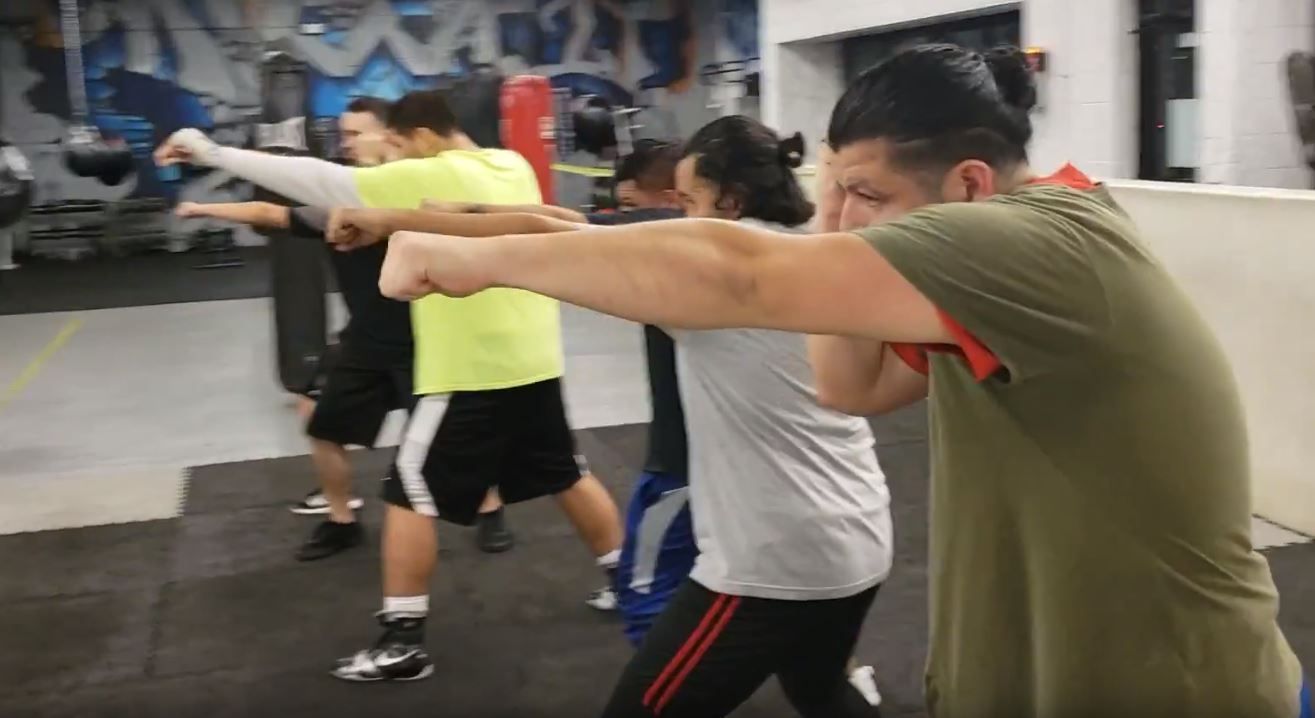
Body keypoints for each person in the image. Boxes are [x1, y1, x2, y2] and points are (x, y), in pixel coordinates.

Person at [369, 44, 1312, 718]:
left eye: (864, 193)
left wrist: (470, 258)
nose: (837, 217)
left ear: (972, 190)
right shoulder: (1000, 268)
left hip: (1170, 688)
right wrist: (841, 223)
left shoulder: (1039, 245)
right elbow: (848, 386)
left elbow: (742, 276)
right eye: (829, 186)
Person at [329, 115, 892, 717]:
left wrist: (417, 239)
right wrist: (411, 220)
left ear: (729, 201)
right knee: (821, 691)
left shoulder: (709, 270)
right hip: (860, 532)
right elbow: (557, 222)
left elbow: (552, 234)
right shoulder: (815, 244)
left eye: (690, 201)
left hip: (775, 563)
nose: (678, 215)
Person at [154, 88, 625, 682]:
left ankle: (403, 642)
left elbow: (313, 178)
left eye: (397, 144)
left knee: (407, 495)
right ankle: (629, 584)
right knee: (566, 473)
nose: (390, 156)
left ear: (421, 136)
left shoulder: (424, 172)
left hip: (467, 370)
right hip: (533, 358)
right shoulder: (513, 164)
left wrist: (212, 152)